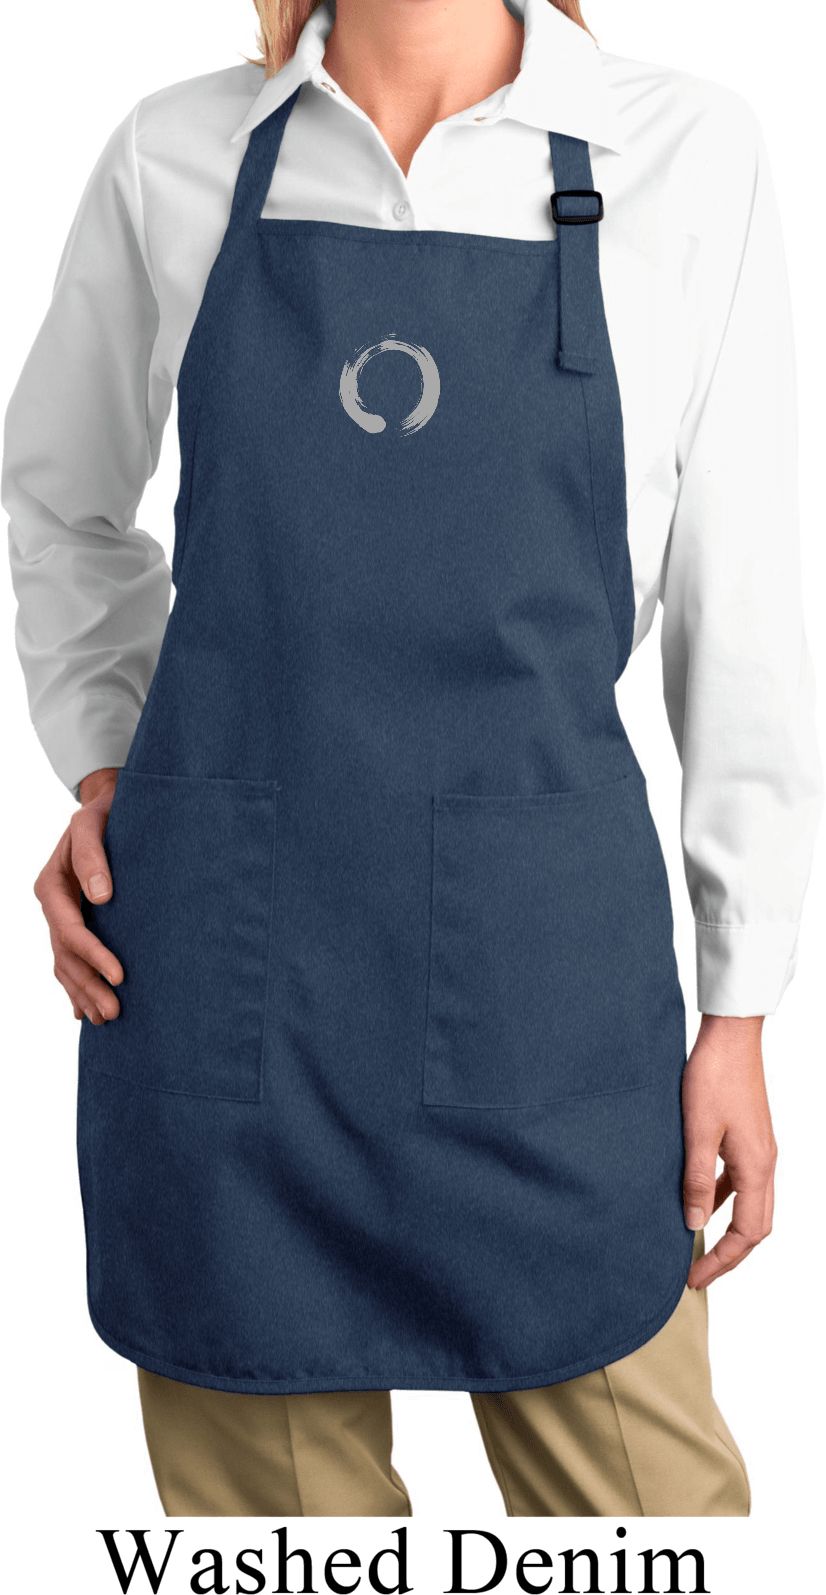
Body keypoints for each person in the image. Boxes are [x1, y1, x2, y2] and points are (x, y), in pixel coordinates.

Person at [2, 0, 820, 1518]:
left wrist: (741, 1005)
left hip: (548, 1000)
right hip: (226, 992)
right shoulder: (177, 152)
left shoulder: (680, 149)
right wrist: (113, 769)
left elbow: (746, 600)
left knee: (657, 1527)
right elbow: (58, 498)